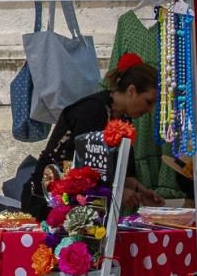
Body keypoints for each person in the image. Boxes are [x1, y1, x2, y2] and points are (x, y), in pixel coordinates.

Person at [31, 54, 164, 213]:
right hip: (52, 201)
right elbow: (85, 170)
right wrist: (117, 194)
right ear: (131, 90)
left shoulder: (124, 119)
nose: (149, 110)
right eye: (148, 101)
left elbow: (123, 170)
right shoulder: (93, 111)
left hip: (83, 205)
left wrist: (141, 191)